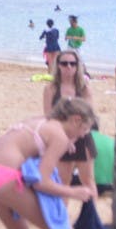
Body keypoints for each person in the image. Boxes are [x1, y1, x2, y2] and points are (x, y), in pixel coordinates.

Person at [0, 97, 96, 229]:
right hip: (4, 177)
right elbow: (41, 182)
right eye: (85, 130)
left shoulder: (42, 121)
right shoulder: (59, 136)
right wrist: (74, 192)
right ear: (76, 120)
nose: (83, 136)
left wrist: (68, 140)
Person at [42, 50, 97, 198]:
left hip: (82, 137)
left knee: (88, 181)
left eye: (72, 64)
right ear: (58, 66)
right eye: (64, 63)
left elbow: (89, 119)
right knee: (63, 182)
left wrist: (73, 139)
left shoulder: (84, 89)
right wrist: (64, 140)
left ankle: (91, 218)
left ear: (77, 66)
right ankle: (63, 219)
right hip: (59, 139)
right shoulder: (51, 89)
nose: (69, 67)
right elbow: (49, 117)